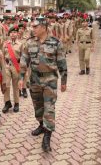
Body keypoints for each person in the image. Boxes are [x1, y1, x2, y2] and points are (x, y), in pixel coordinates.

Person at [19, 16, 67, 152]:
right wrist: (21, 78)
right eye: (32, 27)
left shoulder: (56, 42)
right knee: (38, 107)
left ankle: (47, 137)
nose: (32, 29)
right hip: (34, 80)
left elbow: (62, 63)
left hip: (50, 81)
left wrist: (64, 81)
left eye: (35, 27)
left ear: (44, 27)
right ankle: (41, 124)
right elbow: (24, 61)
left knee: (49, 108)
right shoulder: (29, 43)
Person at [2, 25, 23, 113]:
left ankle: (16, 103)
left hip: (16, 66)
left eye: (15, 32)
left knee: (16, 86)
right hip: (7, 66)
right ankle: (7, 102)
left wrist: (22, 70)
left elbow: (23, 58)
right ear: (9, 34)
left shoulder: (21, 44)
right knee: (6, 85)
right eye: (11, 33)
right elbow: (2, 56)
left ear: (17, 34)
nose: (13, 34)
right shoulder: (5, 44)